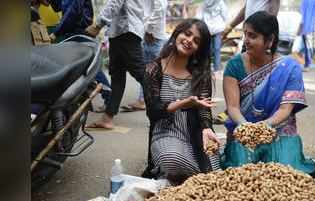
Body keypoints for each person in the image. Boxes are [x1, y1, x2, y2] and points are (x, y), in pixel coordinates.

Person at [221, 11, 315, 175]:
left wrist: (264, 127)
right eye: (245, 34)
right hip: (243, 129)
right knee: (241, 170)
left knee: (286, 171)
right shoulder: (234, 65)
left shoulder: (290, 67)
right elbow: (233, 107)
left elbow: (285, 110)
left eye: (252, 36)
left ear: (270, 40)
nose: (246, 40)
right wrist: (247, 129)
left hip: (279, 130)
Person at [142, 19, 221, 185]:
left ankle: (189, 178)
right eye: (187, 34)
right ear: (177, 33)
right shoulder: (154, 69)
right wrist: (183, 103)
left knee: (213, 165)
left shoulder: (200, 72)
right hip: (165, 130)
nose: (189, 40)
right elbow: (153, 111)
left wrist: (206, 128)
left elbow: (204, 108)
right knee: (172, 159)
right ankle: (195, 178)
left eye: (197, 41)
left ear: (199, 49)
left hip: (194, 131)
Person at [85, 0, 145, 129]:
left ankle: (164, 114)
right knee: (117, 77)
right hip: (123, 30)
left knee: (143, 76)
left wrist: (98, 25)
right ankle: (107, 118)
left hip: (126, 30)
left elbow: (115, 1)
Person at [122, 0, 168, 112]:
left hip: (153, 36)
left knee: (154, 71)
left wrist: (149, 30)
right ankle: (143, 100)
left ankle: (157, 101)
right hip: (151, 36)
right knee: (149, 71)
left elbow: (158, 9)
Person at [196, 0, 228, 74]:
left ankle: (217, 68)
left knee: (217, 48)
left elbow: (225, 15)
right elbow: (200, 14)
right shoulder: (204, 3)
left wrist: (226, 25)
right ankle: (208, 66)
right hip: (208, 29)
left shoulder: (220, 3)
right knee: (209, 49)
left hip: (217, 29)